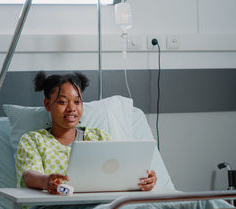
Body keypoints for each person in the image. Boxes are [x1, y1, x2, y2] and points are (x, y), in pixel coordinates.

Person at [14, 71, 157, 194]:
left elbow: (120, 171)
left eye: (77, 102)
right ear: (47, 104)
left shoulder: (99, 138)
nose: (72, 108)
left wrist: (145, 179)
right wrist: (46, 181)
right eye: (63, 102)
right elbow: (29, 175)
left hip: (99, 208)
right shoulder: (33, 140)